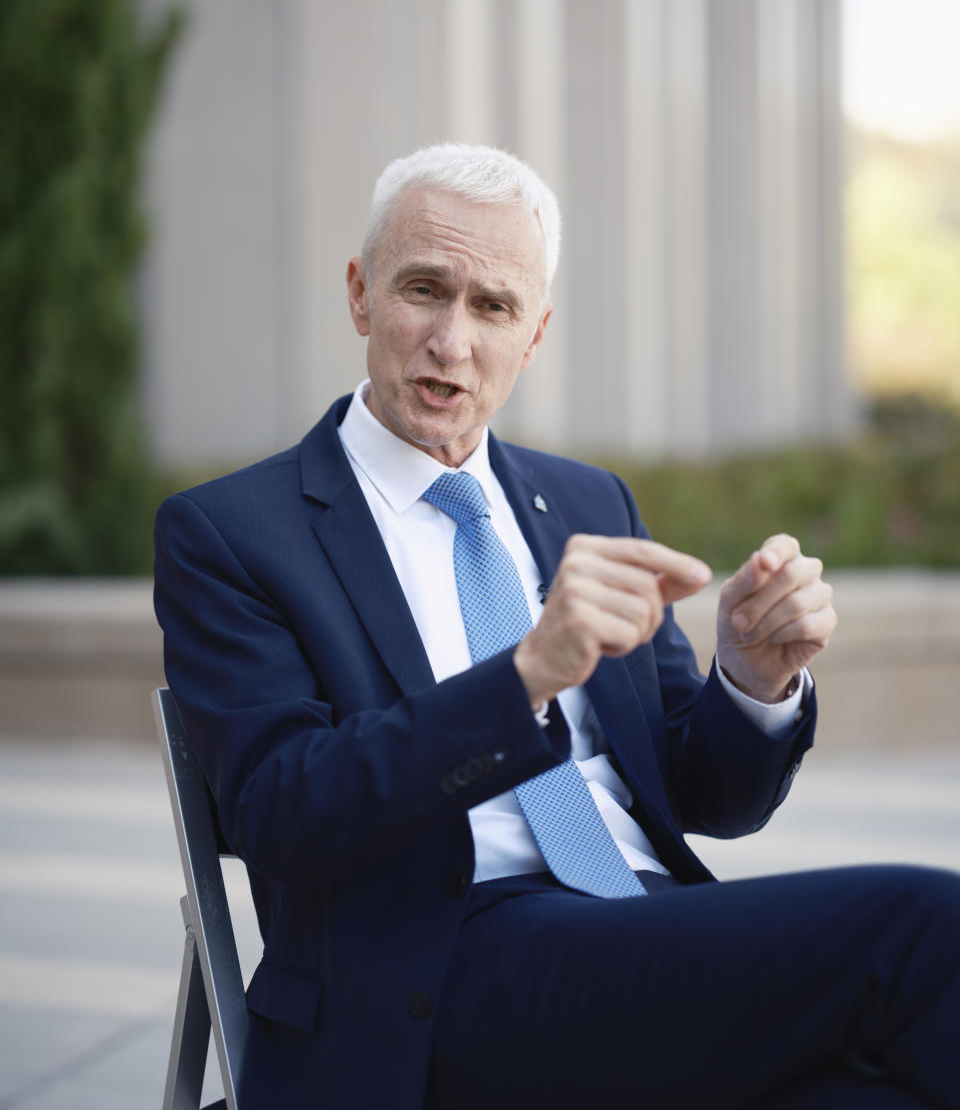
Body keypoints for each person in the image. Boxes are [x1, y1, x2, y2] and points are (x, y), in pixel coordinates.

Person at [154, 144, 959, 1110]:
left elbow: (709, 796)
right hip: (436, 977)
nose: (453, 341)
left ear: (534, 334)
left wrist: (751, 683)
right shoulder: (237, 533)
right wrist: (526, 676)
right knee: (925, 925)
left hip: (645, 944)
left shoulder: (586, 500)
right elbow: (283, 813)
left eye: (494, 307)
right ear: (362, 295)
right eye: (425, 290)